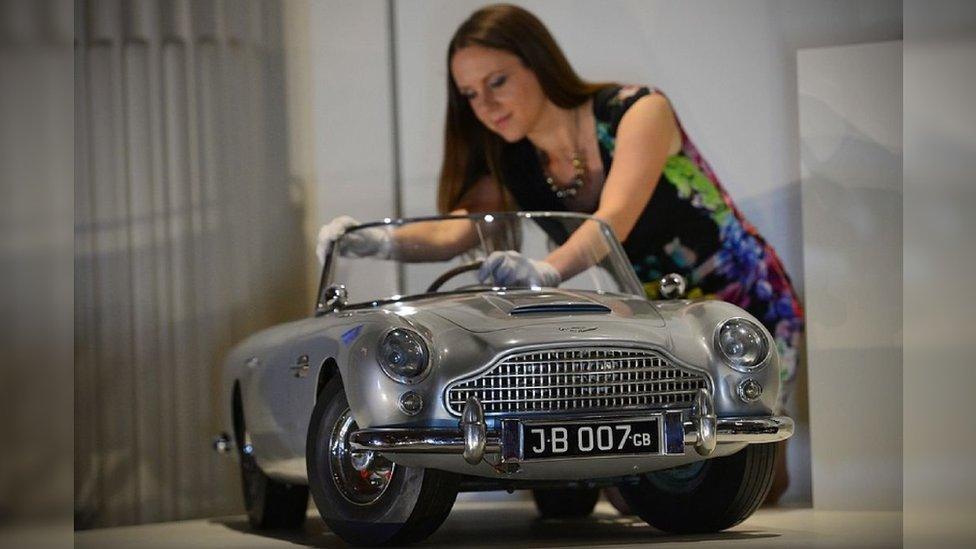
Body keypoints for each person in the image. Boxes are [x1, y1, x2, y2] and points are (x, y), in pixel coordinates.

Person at [317, 3, 803, 501]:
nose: (484, 105)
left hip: (737, 307)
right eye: (469, 94)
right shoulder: (515, 160)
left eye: (498, 81)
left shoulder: (638, 110)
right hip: (656, 317)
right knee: (642, 477)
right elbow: (456, 232)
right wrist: (369, 239)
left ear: (538, 63)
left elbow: (611, 221)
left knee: (751, 473)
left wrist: (548, 269)